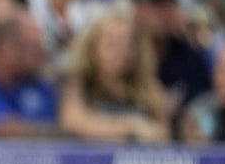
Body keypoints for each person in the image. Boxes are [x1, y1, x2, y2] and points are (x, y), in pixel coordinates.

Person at [58, 7, 173, 142]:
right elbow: (73, 122)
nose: (121, 52)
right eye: (112, 43)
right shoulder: (78, 82)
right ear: (93, 47)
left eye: (128, 44)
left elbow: (163, 133)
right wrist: (131, 127)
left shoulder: (149, 88)